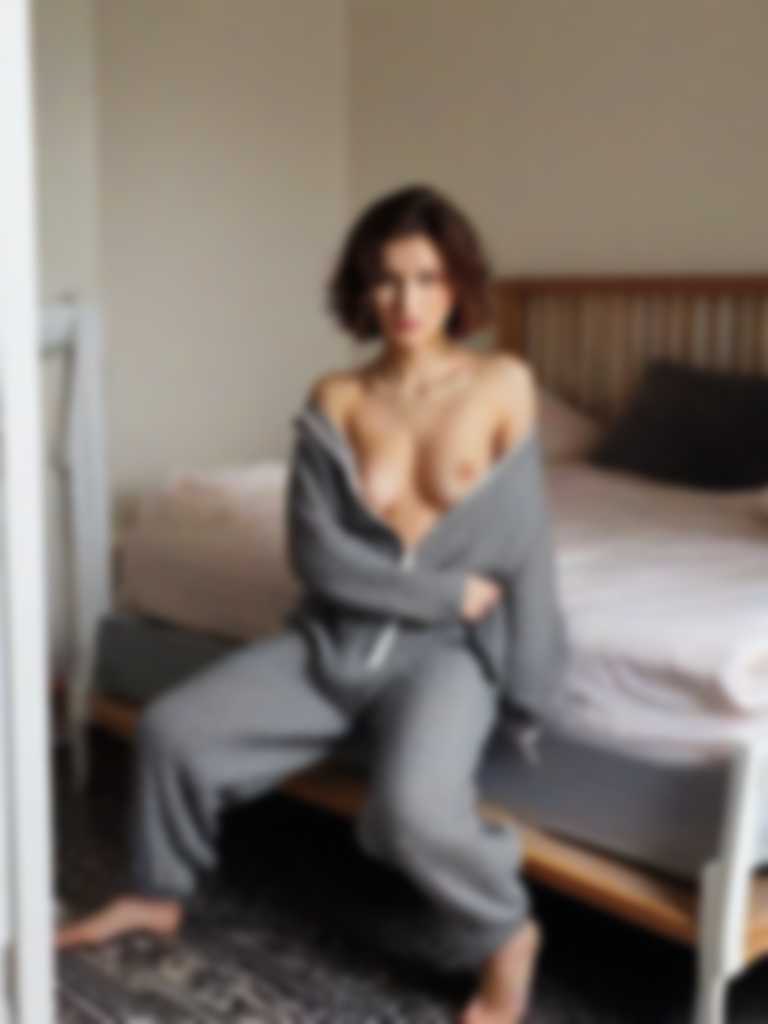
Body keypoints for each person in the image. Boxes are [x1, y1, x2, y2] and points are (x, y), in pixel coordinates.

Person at [56, 183, 550, 1023]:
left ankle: (507, 934)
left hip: (444, 656)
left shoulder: (502, 383)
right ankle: (155, 892)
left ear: (458, 285)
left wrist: (532, 687)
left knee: (411, 812)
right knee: (173, 731)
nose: (406, 300)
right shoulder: (337, 399)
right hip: (335, 640)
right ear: (361, 288)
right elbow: (317, 557)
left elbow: (526, 550)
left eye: (427, 278)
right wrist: (440, 591)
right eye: (385, 279)